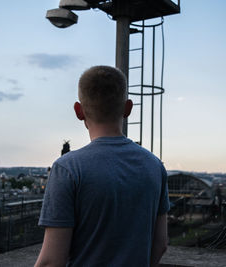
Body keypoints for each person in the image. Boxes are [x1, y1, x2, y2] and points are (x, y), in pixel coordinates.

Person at [34, 66, 169, 267]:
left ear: (78, 111)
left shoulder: (67, 169)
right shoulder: (155, 166)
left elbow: (51, 262)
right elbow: (161, 244)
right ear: (128, 108)